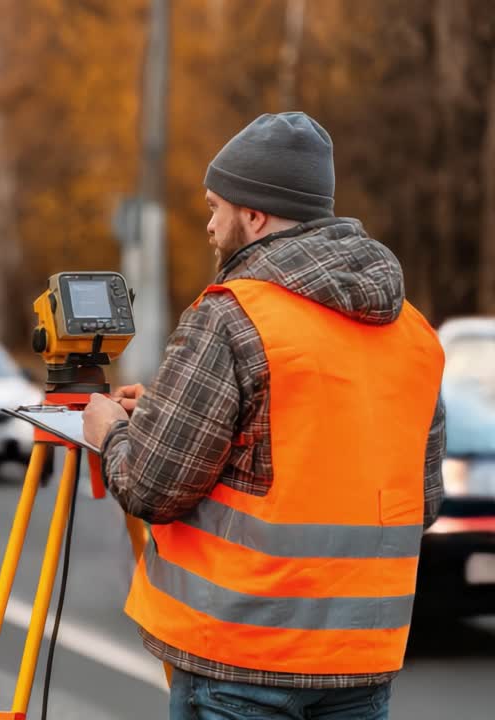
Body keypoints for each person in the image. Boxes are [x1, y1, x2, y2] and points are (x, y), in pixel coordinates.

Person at [82, 112, 446, 719]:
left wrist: (111, 432)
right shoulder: (413, 333)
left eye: (215, 206)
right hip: (360, 665)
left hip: (241, 660)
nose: (209, 223)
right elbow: (419, 501)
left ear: (254, 216)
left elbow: (150, 484)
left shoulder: (232, 316)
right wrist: (184, 417)